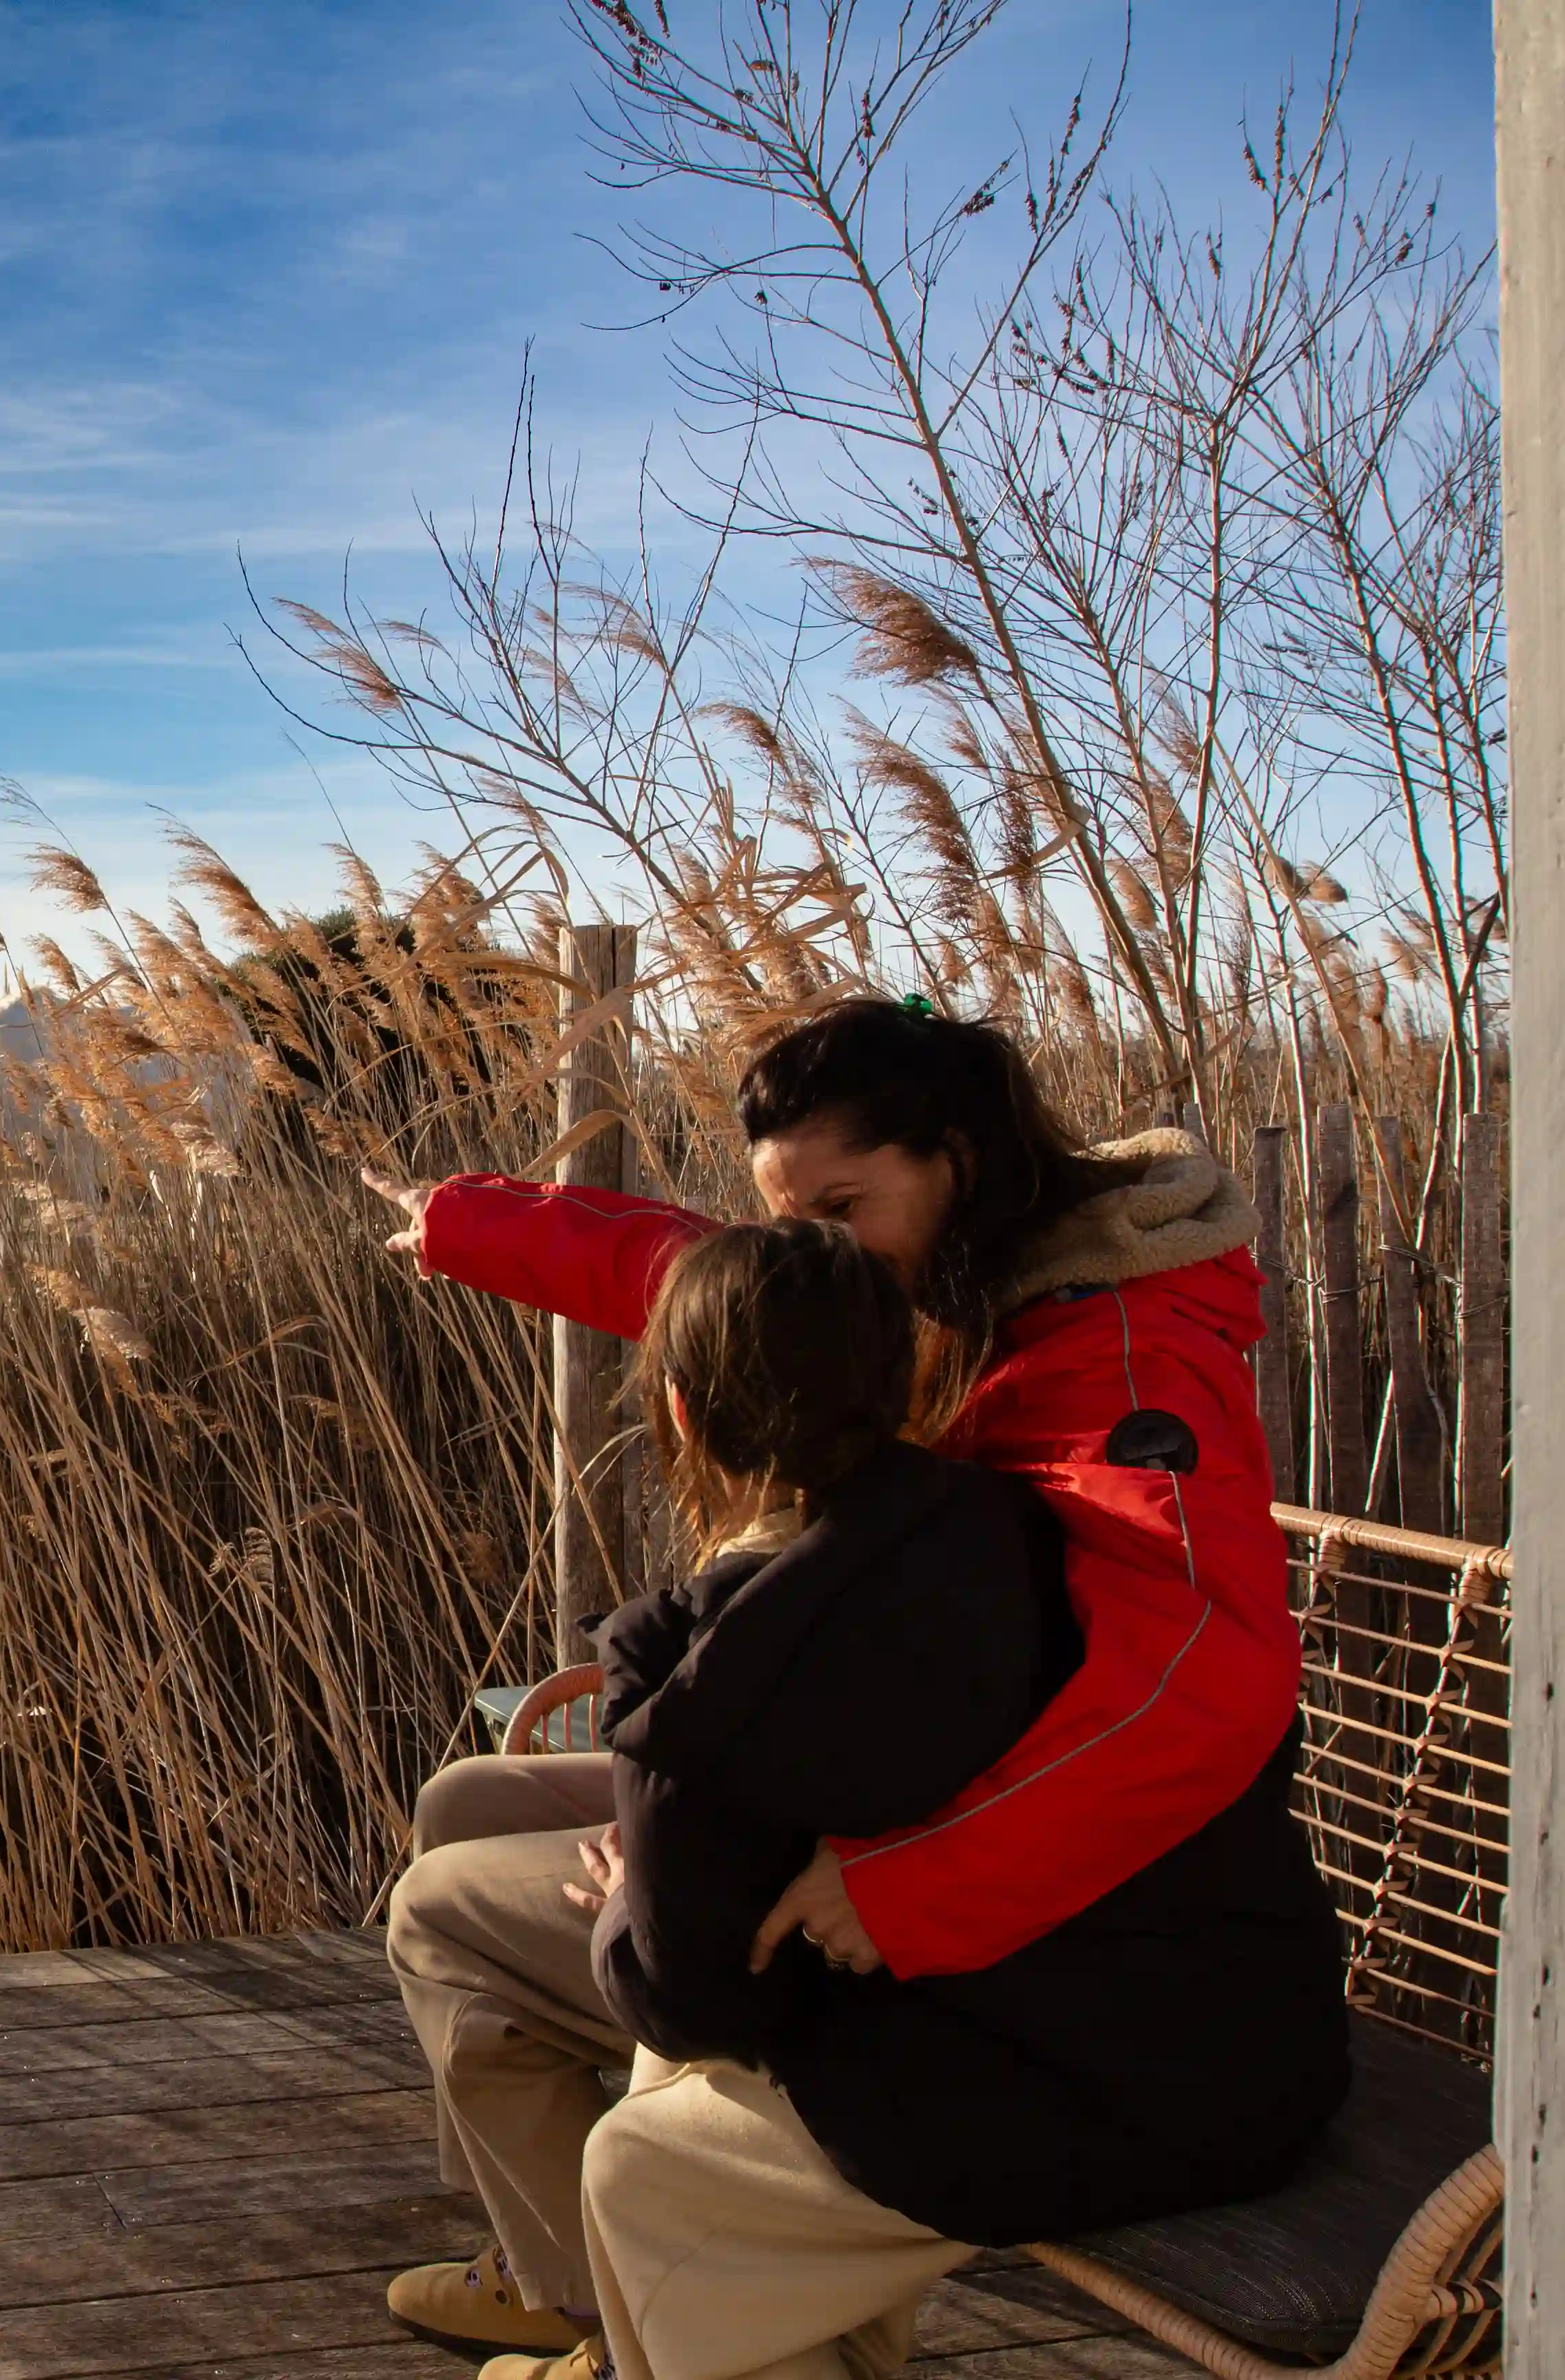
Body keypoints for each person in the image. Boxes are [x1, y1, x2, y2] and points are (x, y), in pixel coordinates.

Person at [373, 996, 1316, 2367]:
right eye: (797, 1216)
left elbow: (1198, 1691)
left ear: (958, 1160)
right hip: (902, 1748)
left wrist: (905, 1886)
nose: (819, 1246)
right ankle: (570, 2281)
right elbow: (744, 1298)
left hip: (988, 1866)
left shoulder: (1115, 1367)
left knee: (467, 1908)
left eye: (842, 1206)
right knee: (469, 1804)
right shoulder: (948, 1285)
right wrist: (485, 1228)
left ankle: (619, 2298)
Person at [524, 1215, 1344, 2380]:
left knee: (649, 2162)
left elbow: (686, 1991)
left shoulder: (708, 1677)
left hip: (1119, 2084)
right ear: (908, 1380)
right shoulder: (1034, 1525)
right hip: (1251, 2022)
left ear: (681, 1418)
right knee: (694, 2108)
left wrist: (623, 1895)